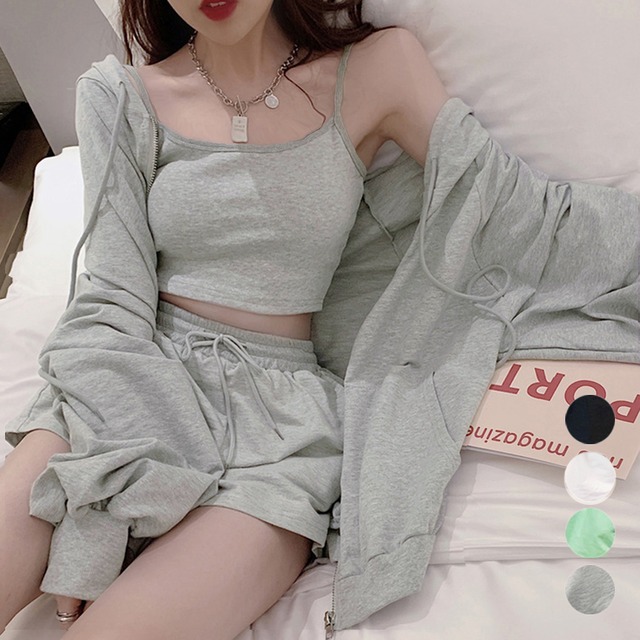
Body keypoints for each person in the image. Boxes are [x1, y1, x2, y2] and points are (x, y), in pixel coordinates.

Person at [0, 0, 450, 637]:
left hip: (280, 434)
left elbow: (505, 211)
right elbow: (115, 299)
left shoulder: (380, 68)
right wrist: (101, 499)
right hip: (125, 379)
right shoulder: (120, 95)